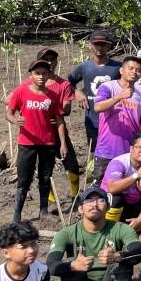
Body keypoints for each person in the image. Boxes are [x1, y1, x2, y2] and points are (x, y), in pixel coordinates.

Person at [6, 58, 70, 223]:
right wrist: (15, 120)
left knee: (45, 176)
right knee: (24, 179)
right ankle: (17, 214)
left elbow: (60, 121)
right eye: (37, 73)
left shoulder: (53, 96)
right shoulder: (21, 92)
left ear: (49, 75)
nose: (41, 76)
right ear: (31, 75)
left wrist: (62, 143)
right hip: (27, 142)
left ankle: (43, 210)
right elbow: (9, 113)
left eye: (44, 73)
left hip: (47, 143)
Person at [26, 47, 82, 200]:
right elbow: (13, 100)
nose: (50, 62)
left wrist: (53, 112)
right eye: (46, 59)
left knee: (72, 165)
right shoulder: (29, 83)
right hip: (39, 134)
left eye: (53, 59)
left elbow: (67, 109)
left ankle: (75, 195)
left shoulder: (63, 85)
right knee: (44, 168)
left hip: (58, 131)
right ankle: (50, 199)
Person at [92, 55, 141, 184]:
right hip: (107, 150)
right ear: (121, 70)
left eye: (138, 70)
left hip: (129, 152)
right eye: (130, 68)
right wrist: (119, 97)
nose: (134, 72)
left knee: (123, 189)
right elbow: (97, 107)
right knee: (99, 188)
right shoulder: (108, 87)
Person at [67, 30, 122, 154]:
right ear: (90, 45)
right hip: (92, 119)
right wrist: (77, 93)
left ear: (108, 46)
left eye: (103, 44)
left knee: (114, 153)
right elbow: (68, 83)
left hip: (114, 119)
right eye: (96, 44)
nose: (99, 47)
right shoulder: (84, 67)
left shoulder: (118, 67)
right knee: (94, 153)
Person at [100, 132, 141, 230]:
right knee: (116, 198)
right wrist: (137, 175)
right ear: (131, 148)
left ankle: (137, 227)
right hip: (108, 206)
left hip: (132, 205)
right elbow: (112, 188)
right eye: (140, 147)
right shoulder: (119, 162)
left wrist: (139, 220)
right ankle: (107, 229)